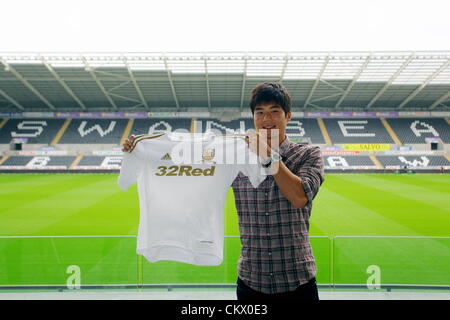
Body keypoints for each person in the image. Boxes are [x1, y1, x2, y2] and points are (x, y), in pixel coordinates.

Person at [122, 82, 324, 301]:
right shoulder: (235, 155)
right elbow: (190, 165)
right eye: (260, 113)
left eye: (274, 112)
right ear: (253, 117)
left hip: (298, 280)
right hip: (251, 280)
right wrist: (142, 152)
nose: (267, 120)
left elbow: (299, 197)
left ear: (288, 116)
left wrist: (268, 156)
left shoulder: (308, 154)